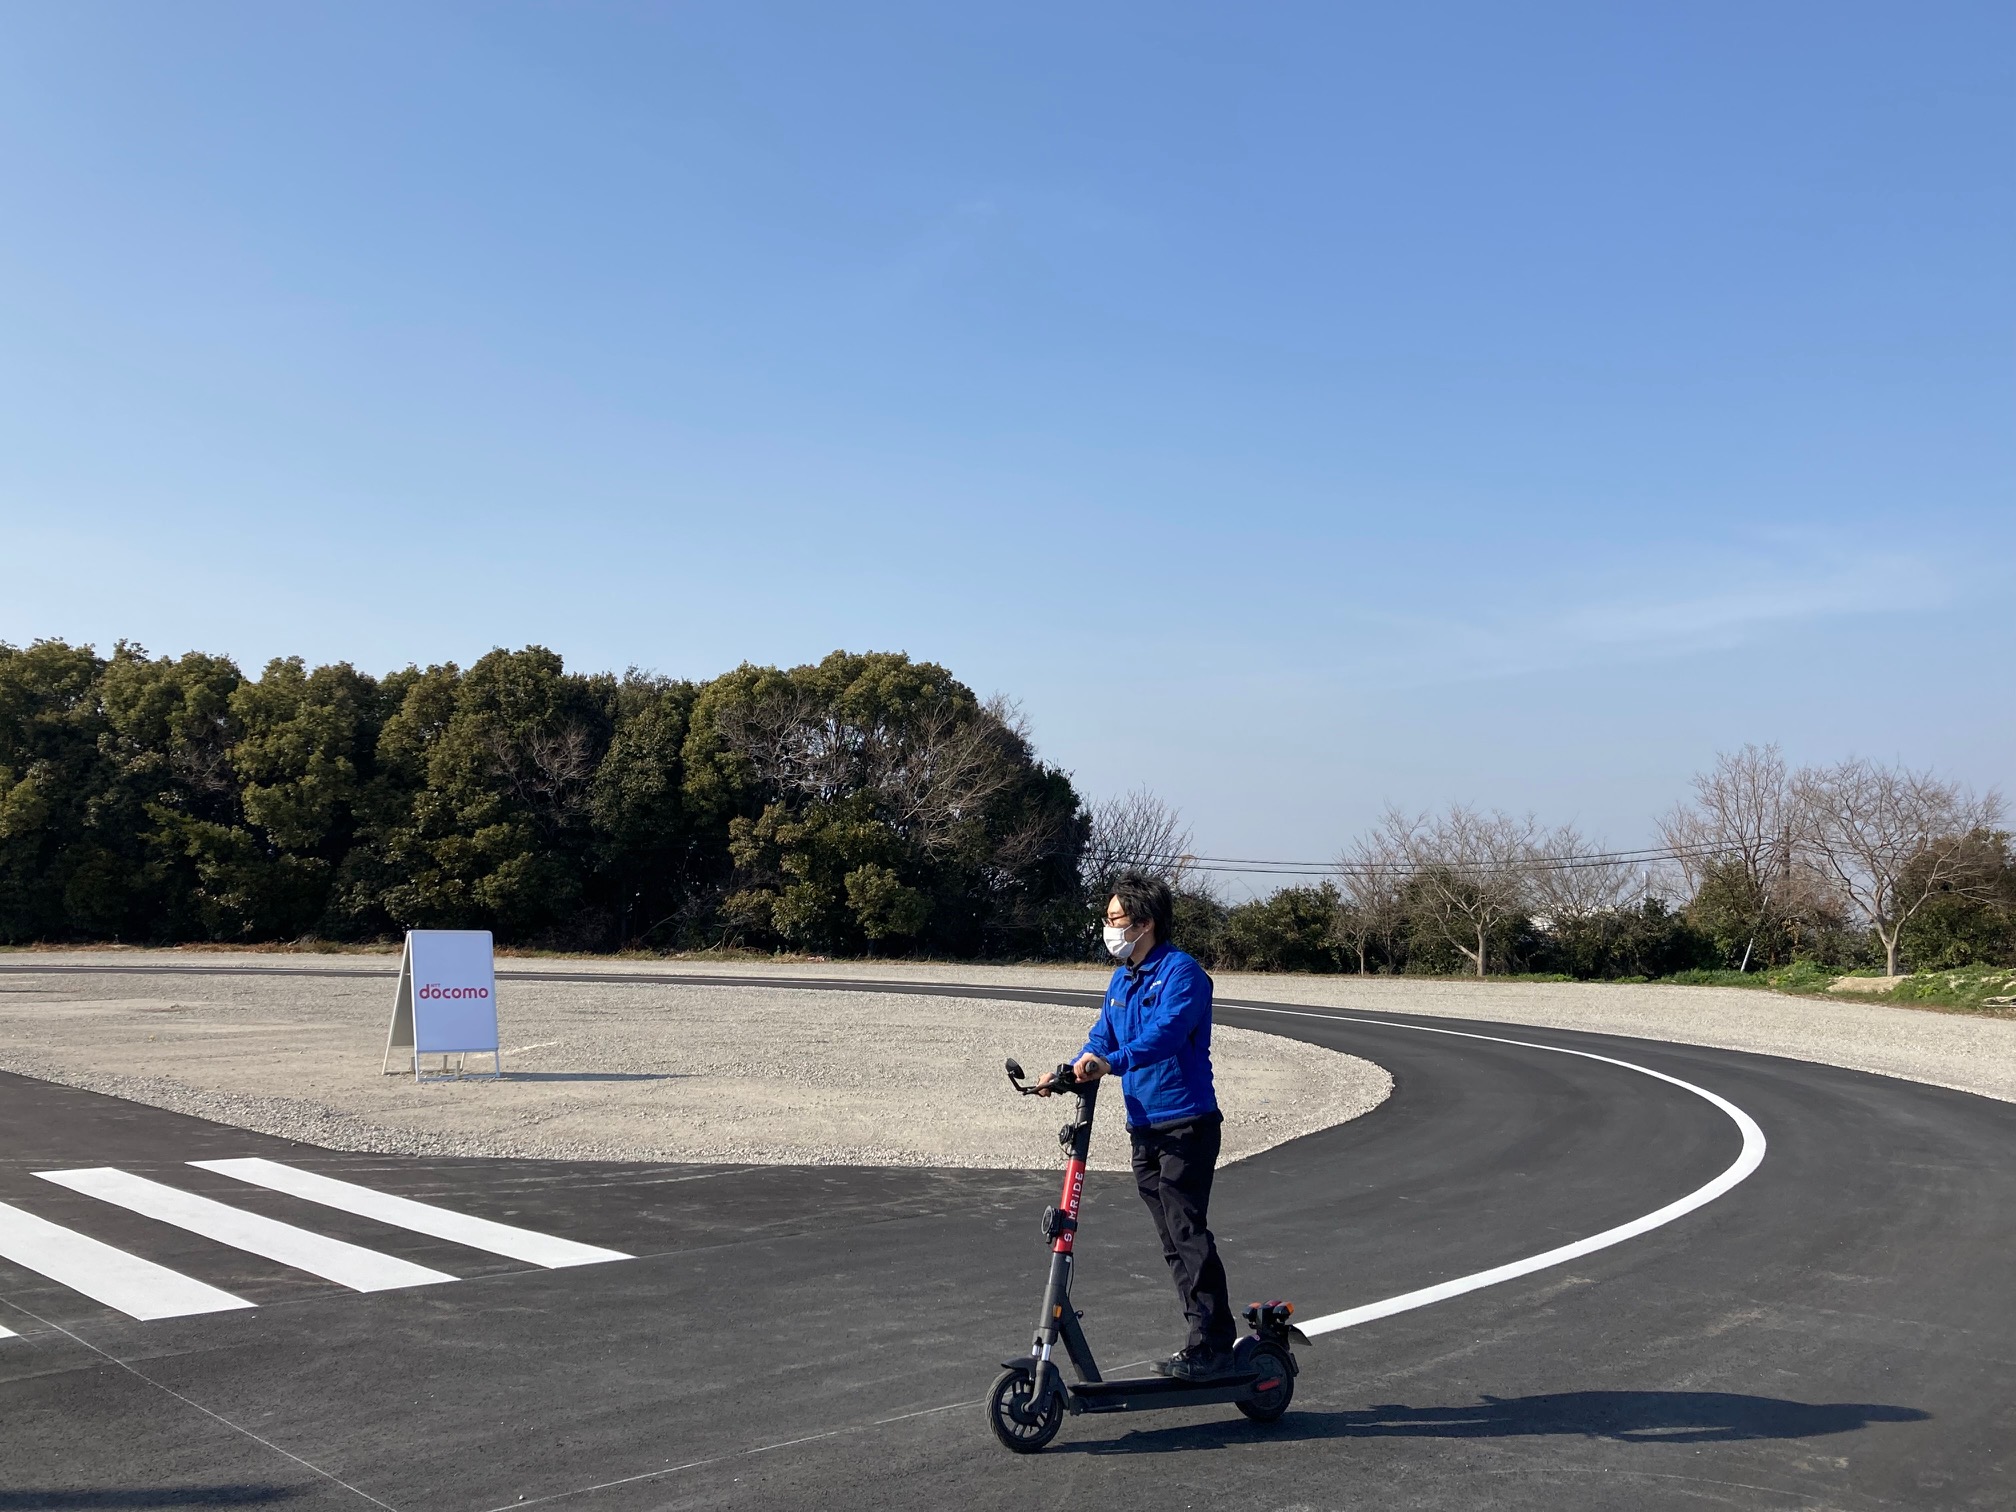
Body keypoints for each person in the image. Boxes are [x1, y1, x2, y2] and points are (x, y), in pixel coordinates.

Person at [1040, 870, 1235, 1380]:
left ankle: (1214, 1343)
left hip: (1187, 1123)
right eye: (1107, 919)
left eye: (1115, 919)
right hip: (1144, 1125)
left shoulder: (1182, 974)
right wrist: (1067, 1070)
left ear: (1144, 922)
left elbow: (1165, 1035)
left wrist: (1113, 1063)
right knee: (1171, 1238)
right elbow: (1101, 1036)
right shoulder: (1123, 976)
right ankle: (1200, 1341)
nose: (1108, 929)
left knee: (1187, 1230)